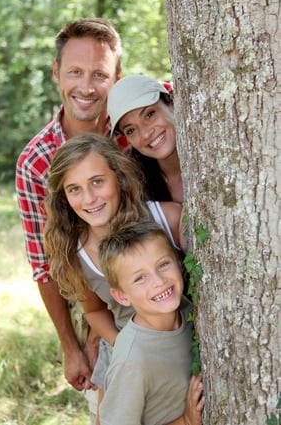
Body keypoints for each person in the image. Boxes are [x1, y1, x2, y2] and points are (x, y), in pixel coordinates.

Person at [15, 17, 125, 409]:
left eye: (100, 74)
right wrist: (71, 346)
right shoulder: (36, 162)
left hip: (159, 285)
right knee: (111, 407)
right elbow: (45, 266)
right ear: (57, 73)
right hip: (92, 303)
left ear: (117, 77)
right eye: (75, 72)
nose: (87, 86)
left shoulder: (137, 125)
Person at [44, 133, 188, 423]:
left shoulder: (166, 219)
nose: (89, 198)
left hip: (178, 346)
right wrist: (121, 344)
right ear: (64, 197)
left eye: (97, 181)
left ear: (119, 176)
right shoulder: (78, 253)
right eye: (74, 189)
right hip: (127, 355)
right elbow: (95, 310)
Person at [98, 219, 205, 425]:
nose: (159, 281)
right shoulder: (132, 360)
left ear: (178, 262)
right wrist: (186, 421)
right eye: (140, 278)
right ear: (121, 296)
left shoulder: (187, 308)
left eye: (163, 264)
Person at [107, 74, 183, 203]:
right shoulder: (134, 187)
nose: (146, 134)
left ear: (172, 103)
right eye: (131, 130)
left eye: (150, 114)